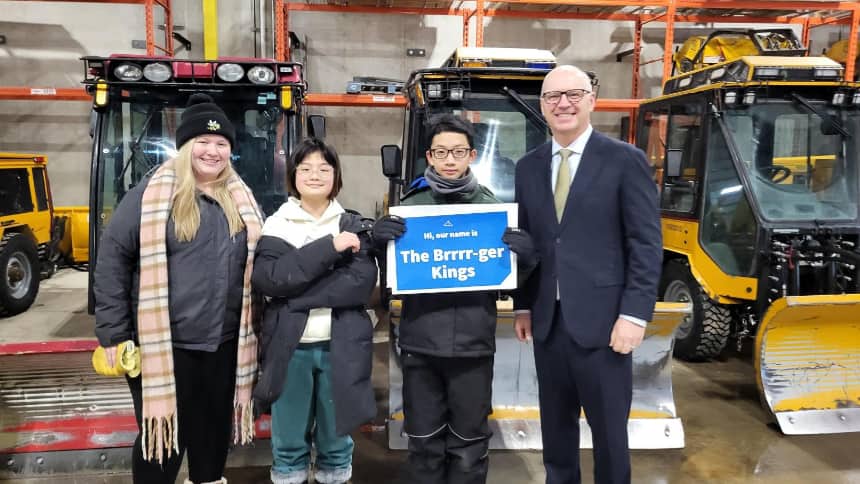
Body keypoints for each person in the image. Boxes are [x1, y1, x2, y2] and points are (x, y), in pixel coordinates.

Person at [94, 93, 264, 484]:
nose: (213, 151)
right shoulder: (150, 196)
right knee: (163, 443)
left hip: (224, 345)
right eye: (203, 142)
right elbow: (113, 260)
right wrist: (115, 334)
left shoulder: (242, 200)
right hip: (165, 346)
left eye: (222, 143)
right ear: (187, 146)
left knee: (212, 439)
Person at [511, 65, 662, 484]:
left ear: (592, 99)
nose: (562, 104)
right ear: (541, 106)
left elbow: (646, 245)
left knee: (610, 433)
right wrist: (523, 305)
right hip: (548, 324)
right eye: (552, 97)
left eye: (573, 94)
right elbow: (528, 243)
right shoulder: (528, 167)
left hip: (605, 325)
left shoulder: (624, 161)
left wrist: (634, 315)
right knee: (556, 432)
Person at [372, 114, 538, 484]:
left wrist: (526, 258)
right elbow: (389, 279)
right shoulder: (410, 208)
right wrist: (376, 245)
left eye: (458, 151)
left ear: (472, 155)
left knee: (469, 443)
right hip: (420, 345)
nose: (450, 159)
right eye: (442, 152)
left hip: (473, 348)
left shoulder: (492, 212)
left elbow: (509, 278)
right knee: (424, 441)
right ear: (429, 156)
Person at [251, 138, 378, 484]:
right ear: (293, 177)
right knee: (289, 439)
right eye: (305, 168)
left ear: (336, 176)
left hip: (342, 347)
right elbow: (272, 279)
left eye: (324, 168)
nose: (315, 175)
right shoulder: (277, 225)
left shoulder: (352, 223)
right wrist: (331, 248)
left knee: (337, 441)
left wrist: (296, 294)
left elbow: (358, 284)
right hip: (291, 349)